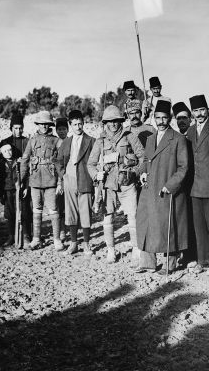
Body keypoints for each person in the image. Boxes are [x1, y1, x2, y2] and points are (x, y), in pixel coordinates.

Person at [136, 100, 189, 274]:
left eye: (164, 118)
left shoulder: (178, 139)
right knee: (146, 223)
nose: (161, 121)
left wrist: (170, 185)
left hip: (166, 190)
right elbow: (145, 160)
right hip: (149, 189)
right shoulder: (151, 139)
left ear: (170, 118)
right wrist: (143, 172)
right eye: (157, 118)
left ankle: (169, 264)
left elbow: (183, 167)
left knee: (169, 225)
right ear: (154, 117)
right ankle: (147, 263)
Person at [87, 105, 144, 265]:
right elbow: (90, 164)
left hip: (127, 182)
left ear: (121, 121)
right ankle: (111, 250)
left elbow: (142, 157)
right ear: (105, 122)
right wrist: (96, 174)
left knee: (132, 216)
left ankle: (136, 248)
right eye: (109, 122)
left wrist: (135, 172)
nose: (113, 124)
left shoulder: (129, 136)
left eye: (116, 121)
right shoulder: (100, 140)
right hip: (108, 184)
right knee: (107, 217)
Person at [186, 94, 209, 275]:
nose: (199, 114)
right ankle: (202, 260)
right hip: (195, 187)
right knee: (199, 227)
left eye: (202, 110)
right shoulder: (191, 131)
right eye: (195, 111)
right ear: (192, 113)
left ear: (207, 110)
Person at [20, 111, 63, 251]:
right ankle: (36, 239)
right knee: (36, 209)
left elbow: (61, 162)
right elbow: (25, 160)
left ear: (50, 125)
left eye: (47, 124)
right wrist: (22, 179)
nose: (44, 126)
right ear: (37, 124)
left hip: (51, 180)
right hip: (35, 180)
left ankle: (57, 240)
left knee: (53, 209)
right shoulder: (32, 140)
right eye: (41, 124)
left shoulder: (56, 141)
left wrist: (60, 182)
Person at [56, 110, 95, 256]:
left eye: (80, 123)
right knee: (70, 212)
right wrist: (64, 175)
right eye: (75, 124)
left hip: (85, 179)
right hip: (69, 179)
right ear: (70, 125)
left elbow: (95, 161)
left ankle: (86, 243)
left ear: (83, 123)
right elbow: (58, 160)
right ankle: (73, 243)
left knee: (85, 212)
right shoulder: (66, 141)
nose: (78, 127)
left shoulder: (91, 141)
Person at [0, 112, 32, 245]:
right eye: (15, 128)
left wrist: (24, 163)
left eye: (20, 127)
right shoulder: (5, 142)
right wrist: (8, 161)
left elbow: (31, 160)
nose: (18, 130)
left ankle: (27, 235)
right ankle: (11, 235)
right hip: (9, 184)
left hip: (24, 181)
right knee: (10, 211)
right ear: (11, 128)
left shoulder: (28, 142)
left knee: (25, 209)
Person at [172, 101, 196, 265]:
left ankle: (194, 255)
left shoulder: (195, 136)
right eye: (178, 119)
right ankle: (185, 253)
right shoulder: (175, 138)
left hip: (195, 184)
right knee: (182, 221)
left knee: (194, 221)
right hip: (182, 185)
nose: (181, 122)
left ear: (190, 119)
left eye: (184, 118)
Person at [0, 142, 30, 247]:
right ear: (1, 153)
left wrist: (25, 188)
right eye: (5, 151)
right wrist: (0, 194)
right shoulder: (1, 164)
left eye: (9, 150)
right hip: (7, 191)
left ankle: (25, 235)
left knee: (23, 212)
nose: (8, 153)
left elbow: (26, 176)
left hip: (19, 191)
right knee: (10, 214)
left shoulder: (19, 162)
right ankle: (11, 236)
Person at [54, 116, 69, 241]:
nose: (62, 131)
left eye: (64, 129)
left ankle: (66, 228)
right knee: (58, 206)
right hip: (56, 178)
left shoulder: (71, 142)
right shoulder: (55, 143)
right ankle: (61, 231)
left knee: (66, 206)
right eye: (59, 129)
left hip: (67, 177)